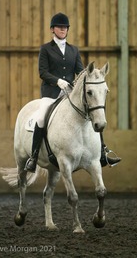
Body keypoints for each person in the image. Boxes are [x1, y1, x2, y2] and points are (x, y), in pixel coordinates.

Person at [24, 13, 121, 173]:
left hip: (68, 94)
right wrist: (57, 81)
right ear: (52, 29)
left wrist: (94, 75)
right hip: (51, 93)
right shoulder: (46, 49)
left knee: (93, 115)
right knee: (41, 118)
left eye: (65, 27)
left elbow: (81, 72)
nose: (62, 29)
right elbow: (42, 72)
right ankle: (34, 157)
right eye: (59, 27)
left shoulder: (73, 50)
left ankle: (103, 153)